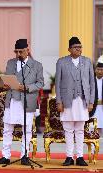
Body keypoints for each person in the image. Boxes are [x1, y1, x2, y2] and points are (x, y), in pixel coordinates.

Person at [0, 39, 44, 165]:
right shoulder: (11, 63)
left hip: (27, 101)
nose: (18, 54)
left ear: (27, 50)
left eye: (20, 51)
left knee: (27, 129)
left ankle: (24, 156)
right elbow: (7, 79)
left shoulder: (37, 65)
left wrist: (27, 87)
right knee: (7, 129)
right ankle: (5, 156)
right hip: (11, 100)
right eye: (16, 52)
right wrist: (5, 85)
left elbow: (40, 83)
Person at [55, 36, 95, 166]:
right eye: (76, 47)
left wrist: (91, 102)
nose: (79, 49)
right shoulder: (61, 62)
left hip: (82, 100)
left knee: (79, 129)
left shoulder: (87, 61)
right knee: (68, 129)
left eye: (80, 47)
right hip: (67, 100)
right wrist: (59, 101)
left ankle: (80, 157)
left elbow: (91, 83)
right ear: (69, 49)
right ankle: (69, 157)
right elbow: (58, 83)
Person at [89, 55, 103, 135]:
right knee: (92, 129)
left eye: (102, 70)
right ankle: (93, 147)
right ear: (95, 70)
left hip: (102, 108)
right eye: (98, 69)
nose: (100, 72)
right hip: (93, 108)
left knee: (100, 129)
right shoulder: (91, 81)